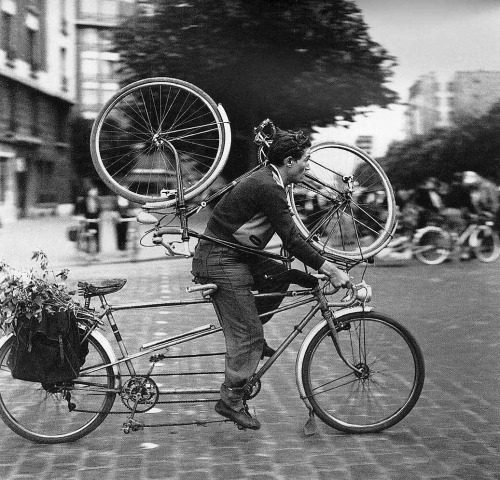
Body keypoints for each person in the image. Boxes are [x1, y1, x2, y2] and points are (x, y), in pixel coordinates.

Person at [191, 128, 350, 430]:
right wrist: (330, 269)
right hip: (220, 259)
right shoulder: (268, 186)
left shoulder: (270, 179)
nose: (309, 167)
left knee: (281, 274)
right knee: (248, 334)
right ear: (290, 161)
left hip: (232, 253)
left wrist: (321, 265)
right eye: (306, 160)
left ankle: (252, 336)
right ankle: (231, 400)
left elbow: (295, 237)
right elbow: (292, 239)